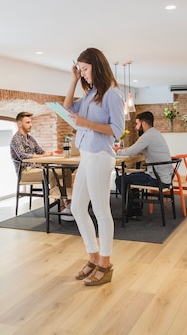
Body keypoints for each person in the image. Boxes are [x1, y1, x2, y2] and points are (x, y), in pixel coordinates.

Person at [64, 47, 125, 286]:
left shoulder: (112, 93)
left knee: (100, 210)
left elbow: (117, 130)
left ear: (97, 66)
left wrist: (87, 124)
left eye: (85, 69)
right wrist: (73, 80)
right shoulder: (91, 94)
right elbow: (68, 108)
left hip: (101, 155)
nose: (83, 73)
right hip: (87, 155)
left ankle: (106, 264)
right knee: (78, 208)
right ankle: (93, 256)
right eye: (80, 69)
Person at [115, 111, 173, 218]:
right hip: (165, 177)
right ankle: (134, 207)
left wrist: (117, 151)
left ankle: (133, 210)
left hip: (156, 178)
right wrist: (124, 150)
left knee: (120, 179)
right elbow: (136, 150)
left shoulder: (147, 136)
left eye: (137, 124)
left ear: (144, 124)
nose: (136, 128)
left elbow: (130, 152)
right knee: (131, 178)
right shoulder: (156, 133)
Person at [10, 111, 62, 198]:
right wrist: (42, 156)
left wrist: (50, 153)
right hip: (24, 172)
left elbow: (40, 151)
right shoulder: (16, 139)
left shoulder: (30, 138)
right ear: (19, 124)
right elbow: (23, 156)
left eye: (31, 122)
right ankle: (59, 204)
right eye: (27, 122)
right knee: (52, 174)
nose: (30, 125)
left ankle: (66, 201)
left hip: (35, 168)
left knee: (65, 171)